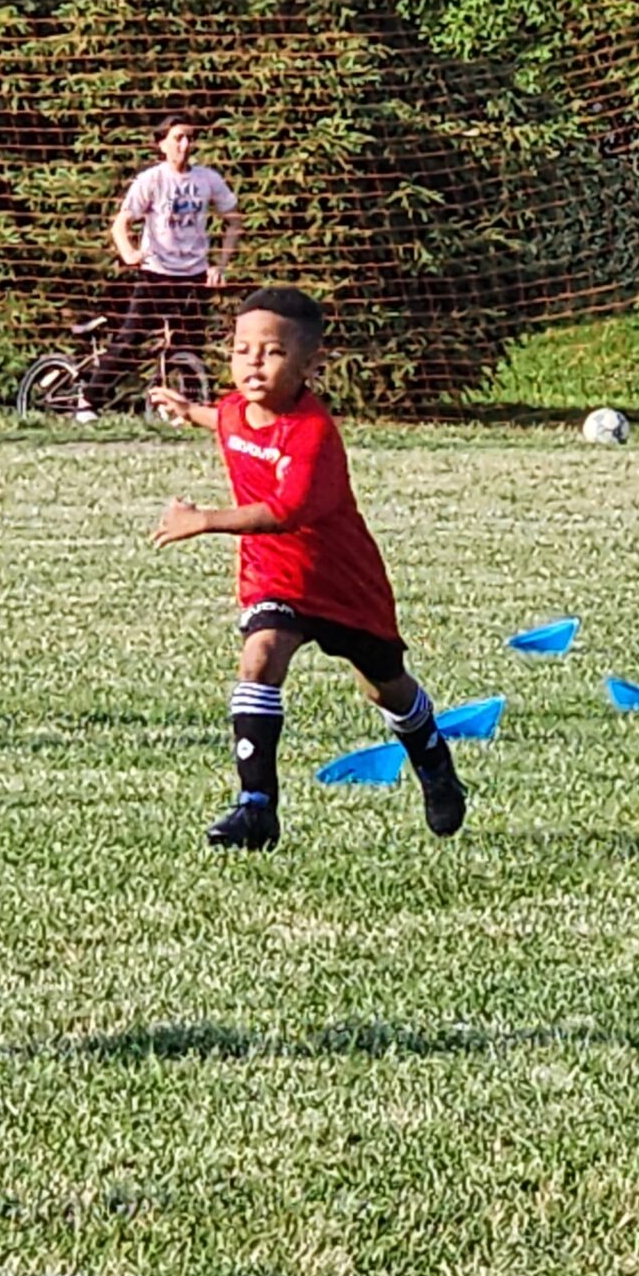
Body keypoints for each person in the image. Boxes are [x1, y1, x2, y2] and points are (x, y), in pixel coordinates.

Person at [148, 285, 466, 852]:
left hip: (343, 583)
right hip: (275, 579)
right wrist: (185, 409)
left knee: (384, 689)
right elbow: (218, 418)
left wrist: (205, 520)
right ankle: (256, 807)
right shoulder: (233, 411)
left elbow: (285, 510)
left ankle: (431, 755)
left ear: (307, 362)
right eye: (242, 349)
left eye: (271, 352)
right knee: (261, 656)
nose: (252, 362)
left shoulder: (312, 433)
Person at [90, 114, 240, 411]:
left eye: (189, 138)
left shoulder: (208, 179)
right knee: (131, 339)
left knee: (190, 345)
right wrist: (130, 255)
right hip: (156, 273)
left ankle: (189, 409)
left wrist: (219, 264)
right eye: (178, 138)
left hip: (194, 274)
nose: (185, 145)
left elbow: (234, 222)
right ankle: (88, 400)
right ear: (162, 145)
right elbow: (121, 225)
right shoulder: (151, 180)